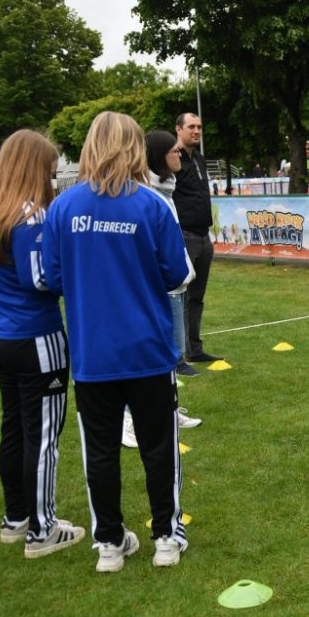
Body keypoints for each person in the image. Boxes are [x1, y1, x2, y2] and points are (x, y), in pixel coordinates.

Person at [42, 111, 194, 572]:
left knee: (101, 451)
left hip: (93, 353)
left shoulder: (64, 208)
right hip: (147, 348)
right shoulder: (151, 204)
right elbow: (179, 275)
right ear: (133, 147)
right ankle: (166, 536)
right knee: (158, 446)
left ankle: (109, 543)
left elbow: (51, 277)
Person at [0, 129, 84, 556]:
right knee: (42, 437)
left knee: (15, 429)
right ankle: (42, 531)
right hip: (36, 340)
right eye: (51, 170)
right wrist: (78, 278)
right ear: (34, 169)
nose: (54, 177)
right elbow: (39, 280)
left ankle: (16, 517)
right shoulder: (30, 217)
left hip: (2, 339)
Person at [120, 131, 202, 450]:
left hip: (175, 282)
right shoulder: (145, 193)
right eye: (173, 151)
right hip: (157, 287)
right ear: (157, 156)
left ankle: (169, 409)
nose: (179, 155)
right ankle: (128, 419)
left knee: (173, 353)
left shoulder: (166, 189)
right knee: (149, 356)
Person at [172, 112, 222, 364]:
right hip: (184, 236)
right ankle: (177, 357)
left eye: (200, 127)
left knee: (196, 297)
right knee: (178, 296)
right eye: (191, 126)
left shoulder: (200, 159)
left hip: (203, 236)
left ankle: (194, 349)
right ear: (178, 129)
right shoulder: (173, 159)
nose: (197, 131)